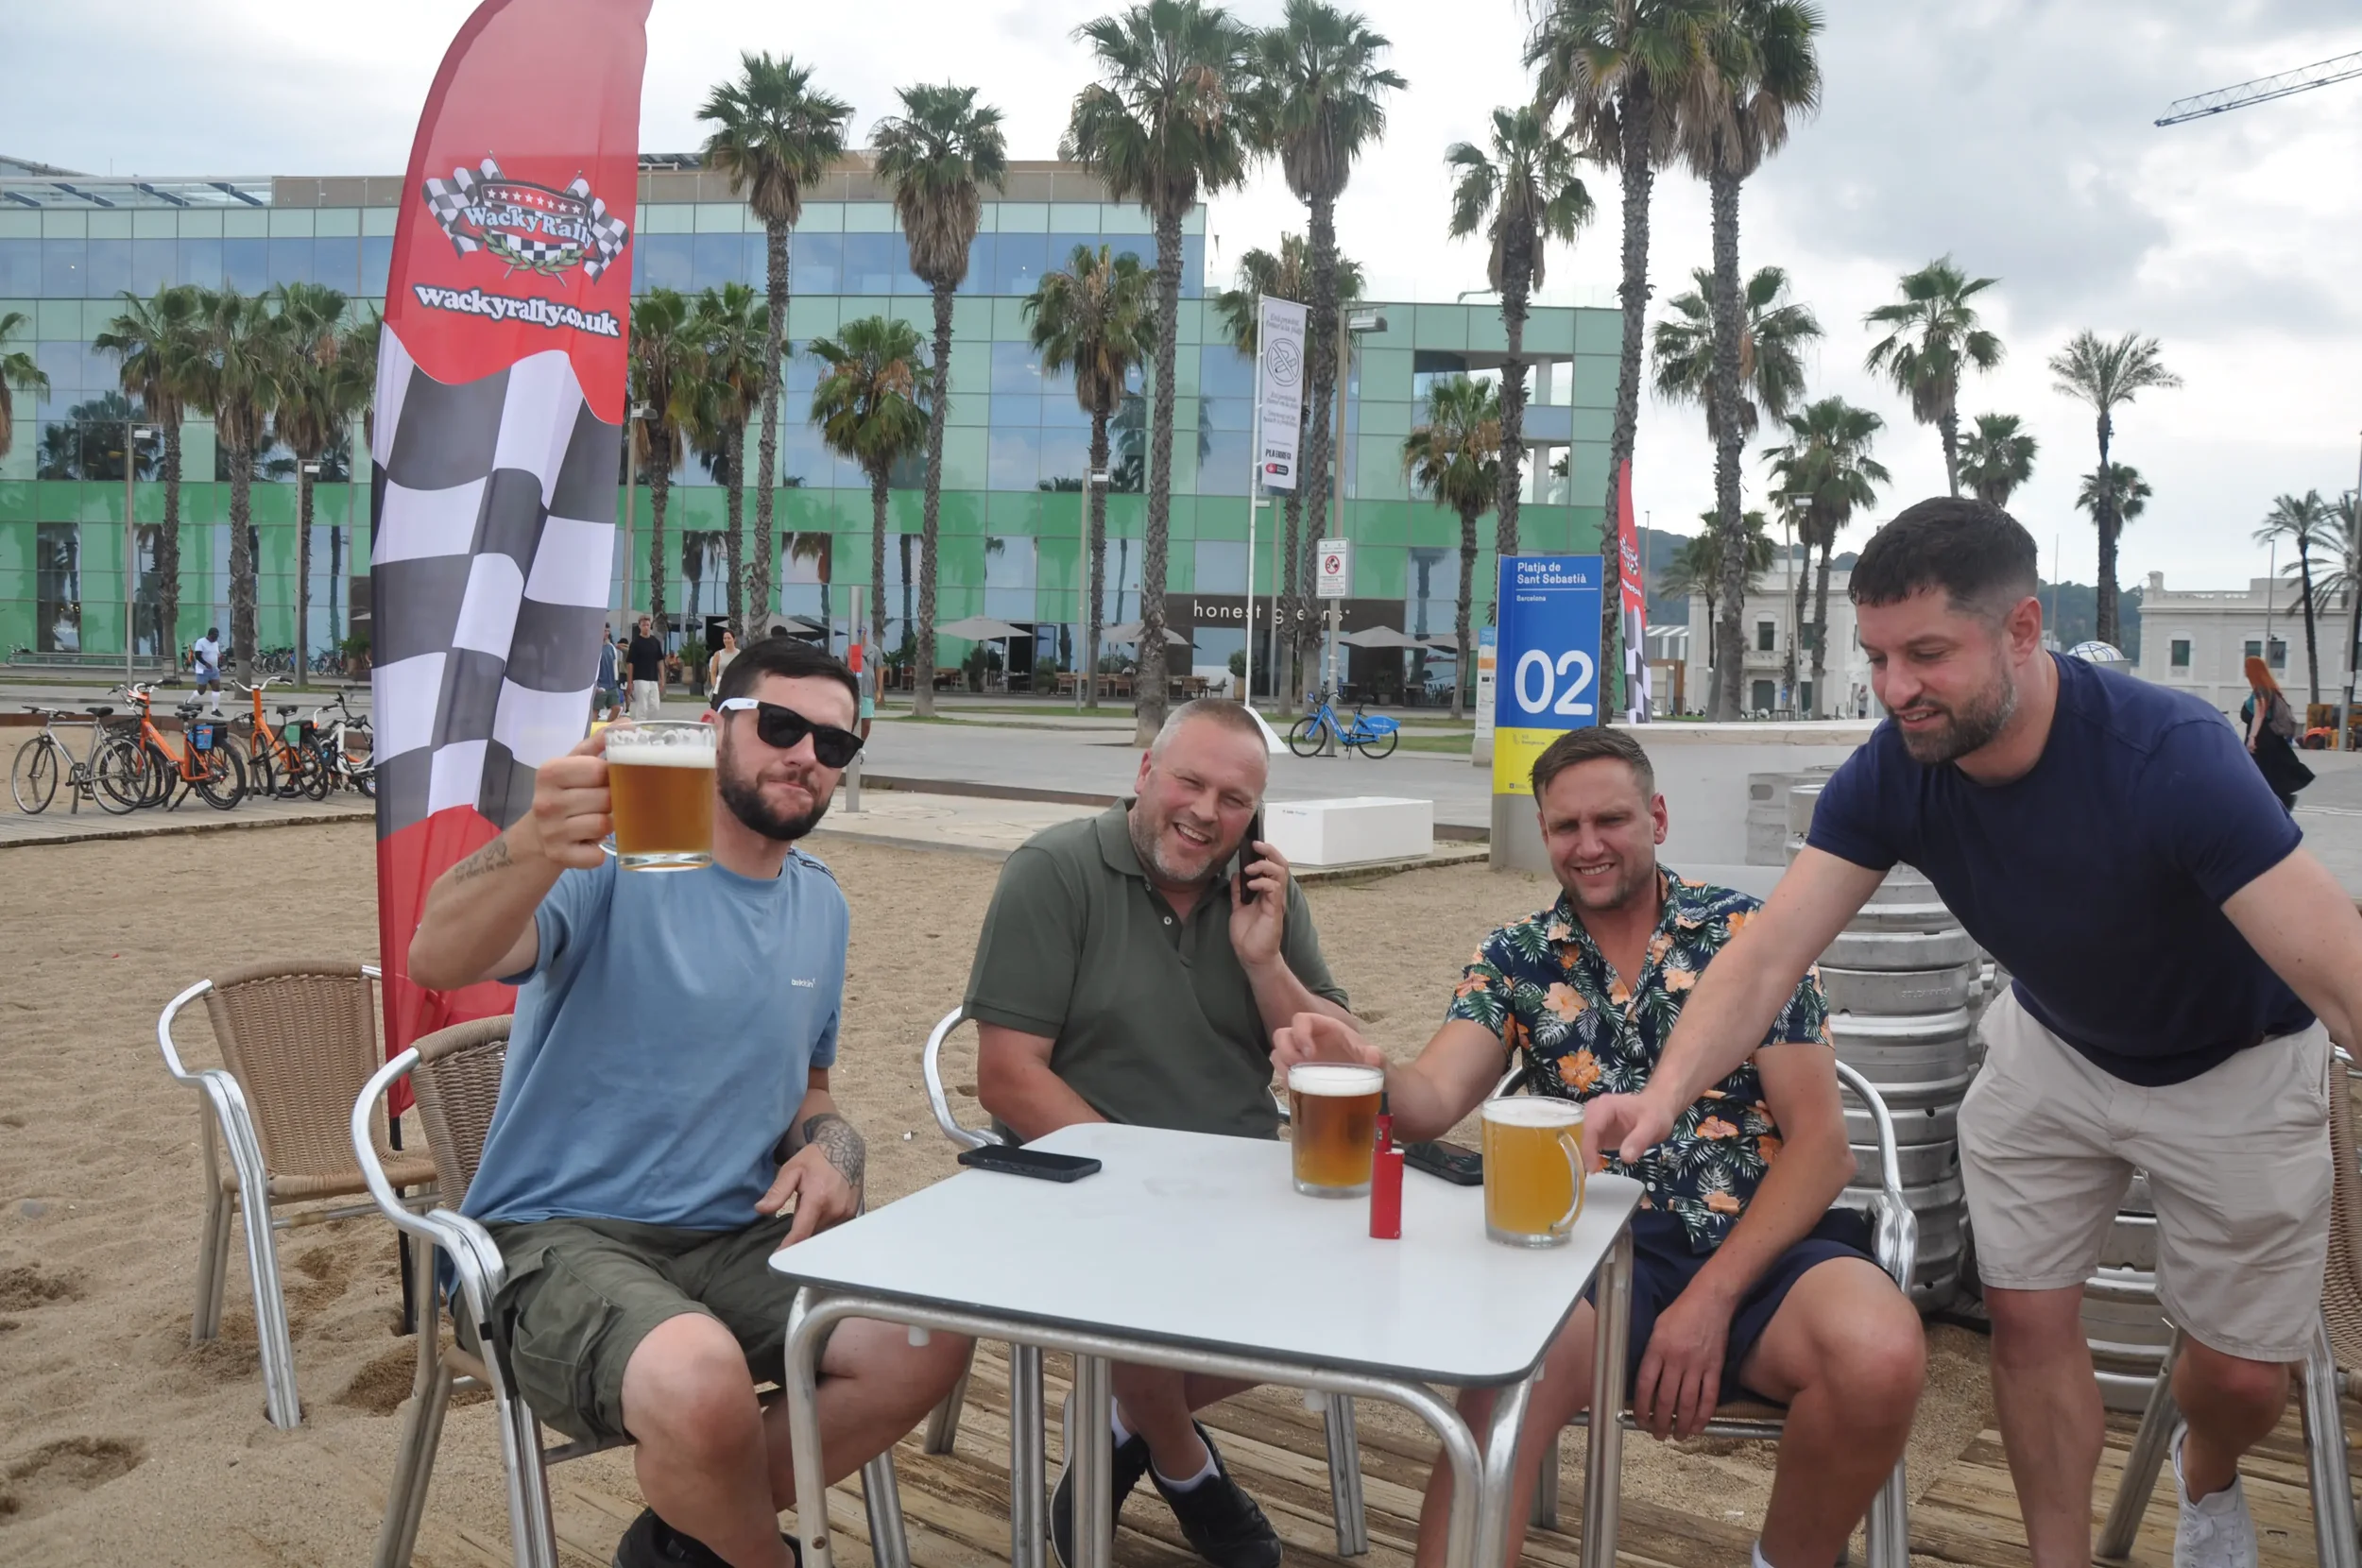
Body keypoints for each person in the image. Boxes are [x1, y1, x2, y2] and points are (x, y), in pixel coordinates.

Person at [1583, 497, 2362, 1568]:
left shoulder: (2170, 756)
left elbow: (2340, 969)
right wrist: (1660, 1096)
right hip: (2052, 1048)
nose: (1896, 688)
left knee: (2238, 1379)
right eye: (1878, 656)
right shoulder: (1898, 766)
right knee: (2028, 1321)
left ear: (2023, 630)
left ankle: (2207, 1473)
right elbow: (1766, 957)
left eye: (1928, 653)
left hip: (2234, 1062)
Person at [1272, 726, 1925, 1568]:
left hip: (1763, 1244)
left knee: (1882, 1351)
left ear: (1656, 815)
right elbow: (1430, 1102)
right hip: (1590, 1253)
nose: (1588, 846)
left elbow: (1824, 1150)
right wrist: (1363, 1069)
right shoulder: (1514, 958)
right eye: (1564, 827)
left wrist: (1711, 1300)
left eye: (1610, 820)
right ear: (1543, 833)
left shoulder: (1746, 934)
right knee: (1500, 1389)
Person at [406, 637, 965, 1568]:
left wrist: (834, 1148)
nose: (805, 756)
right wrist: (531, 841)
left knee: (928, 1332)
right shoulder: (601, 862)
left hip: (734, 1235)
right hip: (549, 1236)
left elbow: (811, 1092)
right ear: (714, 730)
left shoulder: (822, 906)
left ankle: (689, 1528)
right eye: (780, 726)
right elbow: (437, 957)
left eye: (833, 745)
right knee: (699, 1375)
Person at [965, 698, 1361, 1568]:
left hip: (1244, 1178)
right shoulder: (1054, 869)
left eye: (1234, 798)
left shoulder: (1263, 888)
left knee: (1355, 1304)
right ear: (1145, 772)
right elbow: (1007, 1075)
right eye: (1190, 780)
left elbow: (1339, 1057)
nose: (1207, 812)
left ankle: (1119, 1422)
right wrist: (1144, 1176)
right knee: (1142, 1296)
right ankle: (1189, 1472)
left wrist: (1265, 960)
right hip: (1086, 1176)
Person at [2238, 655, 2312, 813]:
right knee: (2270, 769)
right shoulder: (2268, 688)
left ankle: (2275, 800)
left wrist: (2252, 738)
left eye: (2246, 667)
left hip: (2262, 736)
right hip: (2269, 736)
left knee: (2256, 770)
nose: (2244, 670)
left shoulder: (2261, 690)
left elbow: (2260, 714)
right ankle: (2278, 799)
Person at [625, 615, 664, 721]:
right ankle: (640, 727)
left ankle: (649, 725)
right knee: (642, 706)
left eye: (647, 625)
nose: (646, 627)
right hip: (640, 679)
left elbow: (660, 661)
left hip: (653, 678)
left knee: (655, 706)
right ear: (639, 626)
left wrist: (662, 679)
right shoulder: (635, 643)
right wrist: (630, 682)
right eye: (643, 625)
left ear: (650, 626)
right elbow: (630, 663)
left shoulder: (655, 642)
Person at [191, 625, 224, 714]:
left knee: (216, 687)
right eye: (214, 637)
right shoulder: (201, 642)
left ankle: (215, 710)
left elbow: (216, 653)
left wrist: (220, 657)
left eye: (216, 637)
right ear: (209, 635)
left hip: (214, 670)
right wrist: (206, 664)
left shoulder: (216, 643)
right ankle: (189, 702)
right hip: (203, 670)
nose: (215, 639)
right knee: (201, 691)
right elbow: (197, 656)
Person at [594, 631, 622, 722]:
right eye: (604, 630)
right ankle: (592, 732)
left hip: (611, 684)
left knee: (617, 708)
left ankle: (606, 728)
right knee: (595, 710)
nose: (606, 633)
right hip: (600, 684)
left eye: (607, 631)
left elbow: (615, 664)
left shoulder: (611, 647)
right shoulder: (594, 647)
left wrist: (616, 680)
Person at [709, 629, 740, 699]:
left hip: (735, 686)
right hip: (720, 685)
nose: (726, 640)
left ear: (734, 639)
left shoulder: (740, 654)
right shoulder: (718, 654)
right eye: (724, 638)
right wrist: (714, 685)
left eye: (729, 638)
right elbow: (713, 672)